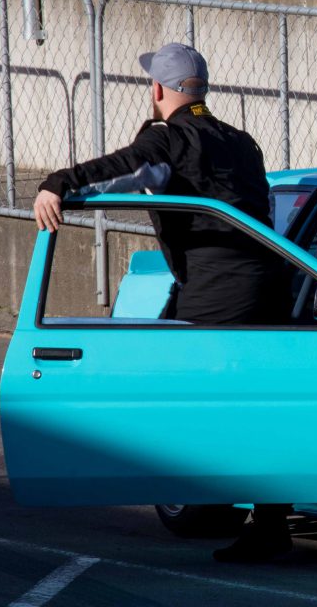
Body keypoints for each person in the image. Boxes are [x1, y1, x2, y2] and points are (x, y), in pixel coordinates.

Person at [32, 42, 293, 560]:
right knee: (260, 399)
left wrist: (57, 185)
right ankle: (268, 518)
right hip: (273, 282)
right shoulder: (243, 141)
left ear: (157, 90)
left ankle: (211, 495)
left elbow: (120, 169)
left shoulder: (166, 140)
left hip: (218, 289)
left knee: (188, 393)